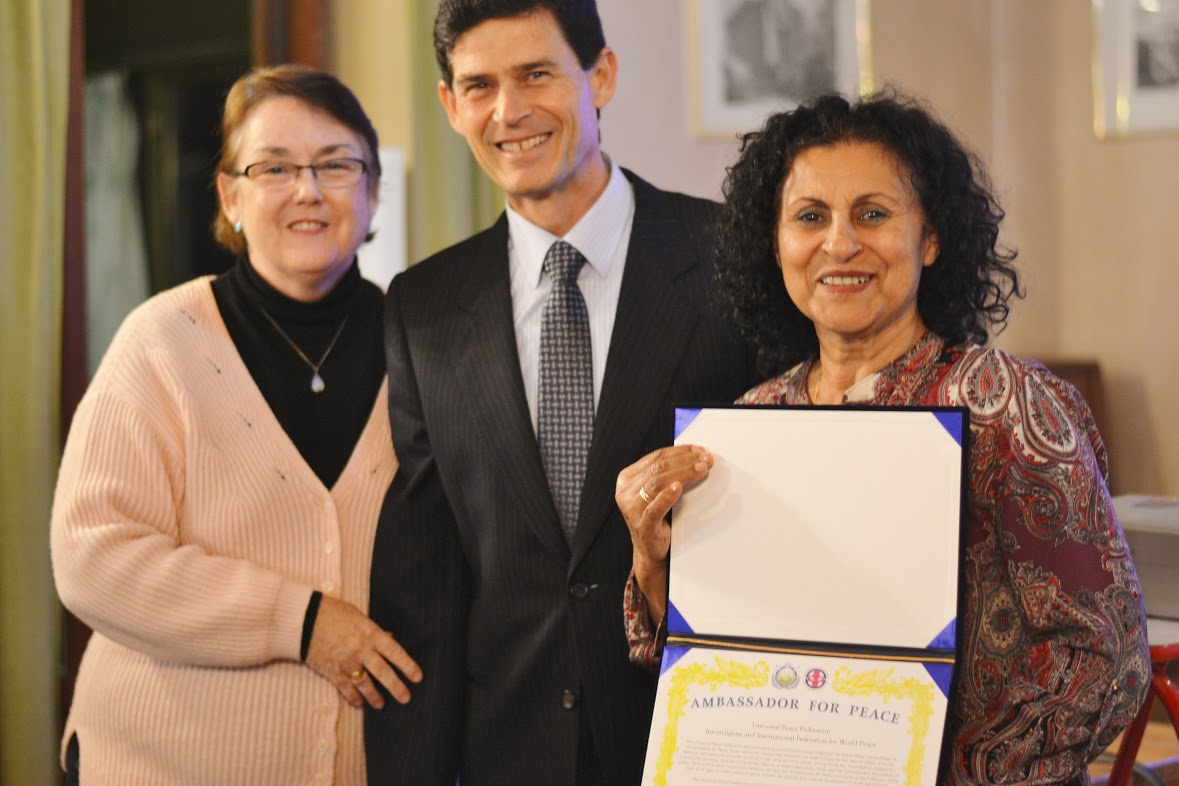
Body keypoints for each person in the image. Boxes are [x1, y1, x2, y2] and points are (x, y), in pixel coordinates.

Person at [618, 92, 1151, 786]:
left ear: (929, 238)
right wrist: (653, 561)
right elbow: (707, 658)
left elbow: (1105, 656)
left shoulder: (1009, 407)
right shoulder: (749, 424)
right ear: (775, 245)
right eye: (810, 217)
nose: (839, 243)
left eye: (872, 214)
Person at [363, 1, 756, 783]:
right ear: (449, 105)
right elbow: (430, 580)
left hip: (697, 736)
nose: (508, 112)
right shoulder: (421, 309)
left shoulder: (733, 261)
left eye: (536, 74)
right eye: (478, 86)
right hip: (507, 750)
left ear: (599, 76)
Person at [51, 64, 422, 785]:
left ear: (373, 189)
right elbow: (92, 556)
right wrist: (302, 623)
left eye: (336, 165)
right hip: (156, 765)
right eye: (274, 168)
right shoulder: (160, 342)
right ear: (230, 195)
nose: (308, 191)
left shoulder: (422, 345)